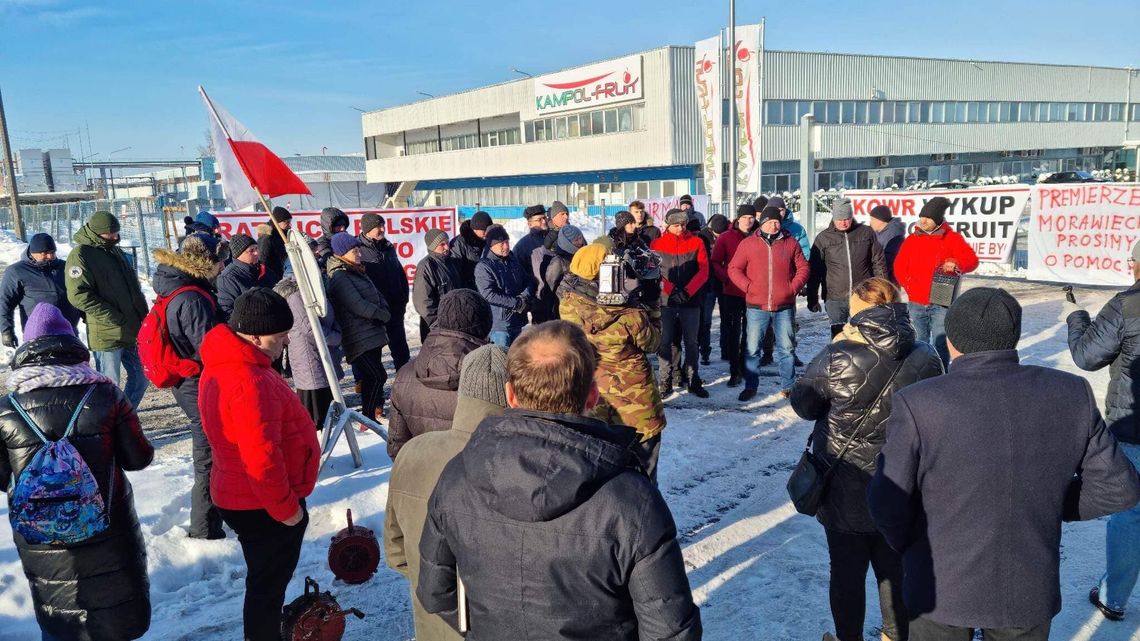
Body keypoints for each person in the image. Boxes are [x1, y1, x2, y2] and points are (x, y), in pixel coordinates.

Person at [869, 287, 1140, 641]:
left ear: (951, 341)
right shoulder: (1069, 392)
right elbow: (1119, 488)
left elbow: (887, 500)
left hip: (939, 580)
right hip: (1026, 586)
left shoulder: (919, 401)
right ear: (1014, 336)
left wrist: (911, 543)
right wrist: (1045, 500)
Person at [417, 321, 702, 640]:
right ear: (593, 396)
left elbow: (435, 594)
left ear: (509, 394)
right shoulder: (631, 500)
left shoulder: (456, 477)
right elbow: (670, 631)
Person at [791, 278, 943, 641]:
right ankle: (895, 635)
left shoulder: (839, 354)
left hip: (846, 483)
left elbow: (804, 404)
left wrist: (838, 346)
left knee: (846, 573)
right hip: (903, 481)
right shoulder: (926, 355)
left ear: (859, 311)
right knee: (894, 568)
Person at [0, 303, 153, 641]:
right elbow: (138, 458)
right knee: (114, 620)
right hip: (107, 532)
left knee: (62, 622)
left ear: (27, 349)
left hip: (44, 543)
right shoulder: (105, 393)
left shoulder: (7, 410)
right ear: (72, 344)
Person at [198, 288, 320, 641]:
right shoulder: (248, 380)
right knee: (266, 588)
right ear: (253, 336)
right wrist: (287, 511)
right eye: (279, 337)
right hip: (261, 502)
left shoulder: (230, 363)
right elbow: (261, 458)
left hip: (239, 492)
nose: (284, 344)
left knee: (264, 584)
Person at [384, 343, 509, 641]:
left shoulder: (413, 453)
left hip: (434, 626)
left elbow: (395, 552)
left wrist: (435, 585)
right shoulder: (519, 462)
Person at [1065, 240, 1140, 621]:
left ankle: (1114, 598)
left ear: (1135, 266)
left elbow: (1086, 355)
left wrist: (1077, 317)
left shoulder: (1127, 304)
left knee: (1130, 514)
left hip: (1134, 426)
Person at [559, 241, 667, 480]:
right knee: (644, 476)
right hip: (636, 408)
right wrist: (651, 303)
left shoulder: (567, 306)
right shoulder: (632, 316)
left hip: (591, 404)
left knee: (600, 476)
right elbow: (654, 342)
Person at [152, 232, 225, 539]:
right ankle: (205, 529)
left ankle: (214, 519)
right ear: (205, 262)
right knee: (208, 456)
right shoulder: (192, 298)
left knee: (212, 452)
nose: (224, 267)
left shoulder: (181, 287)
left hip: (190, 381)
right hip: (198, 383)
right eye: (220, 261)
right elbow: (210, 348)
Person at [387, 289, 491, 459]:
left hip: (425, 478)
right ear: (485, 326)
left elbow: (397, 449)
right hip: (478, 479)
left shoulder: (404, 375)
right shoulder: (496, 375)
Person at [65, 211, 149, 409]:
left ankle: (124, 417)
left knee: (142, 378)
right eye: (109, 233)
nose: (114, 237)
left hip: (132, 329)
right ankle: (107, 426)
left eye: (116, 232)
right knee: (109, 384)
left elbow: (132, 288)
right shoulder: (81, 254)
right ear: (96, 232)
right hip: (106, 333)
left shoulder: (114, 250)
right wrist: (112, 316)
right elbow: (78, 295)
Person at [728, 206, 809, 401]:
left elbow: (803, 267)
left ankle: (788, 386)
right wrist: (748, 286)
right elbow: (734, 268)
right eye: (771, 221)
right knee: (753, 348)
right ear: (762, 222)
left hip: (784, 305)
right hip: (756, 306)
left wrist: (793, 287)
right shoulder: (748, 244)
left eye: (777, 221)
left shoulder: (790, 243)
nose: (775, 225)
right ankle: (751, 386)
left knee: (786, 348)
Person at [893, 196, 979, 368]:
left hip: (942, 302)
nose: (923, 220)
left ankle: (941, 374)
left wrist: (957, 263)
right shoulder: (912, 240)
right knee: (919, 343)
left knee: (941, 343)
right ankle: (920, 374)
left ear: (938, 219)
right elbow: (899, 266)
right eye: (922, 216)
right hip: (916, 302)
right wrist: (909, 286)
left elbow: (972, 260)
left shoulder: (952, 238)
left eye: (928, 217)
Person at [326, 232, 391, 422]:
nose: (359, 254)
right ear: (342, 253)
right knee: (377, 375)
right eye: (355, 250)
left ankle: (372, 415)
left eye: (358, 249)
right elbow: (357, 304)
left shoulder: (356, 270)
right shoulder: (340, 276)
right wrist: (380, 314)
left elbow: (376, 294)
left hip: (371, 333)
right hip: (358, 336)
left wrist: (384, 309)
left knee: (372, 378)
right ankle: (368, 418)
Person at [652, 208, 710, 398]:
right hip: (666, 301)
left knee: (692, 342)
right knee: (666, 341)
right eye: (676, 225)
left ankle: (693, 379)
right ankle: (666, 380)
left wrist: (687, 291)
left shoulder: (697, 242)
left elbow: (703, 271)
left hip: (691, 301)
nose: (680, 228)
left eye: (683, 224)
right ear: (668, 225)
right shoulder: (657, 244)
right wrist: (670, 289)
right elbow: (655, 272)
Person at [807, 198, 887, 337]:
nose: (843, 222)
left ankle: (865, 358)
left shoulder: (866, 233)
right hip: (835, 297)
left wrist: (882, 290)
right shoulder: (823, 238)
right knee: (839, 337)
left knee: (865, 335)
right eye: (839, 219)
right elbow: (815, 271)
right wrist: (812, 298)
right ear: (834, 218)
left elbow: (878, 262)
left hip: (863, 295)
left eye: (847, 218)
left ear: (851, 217)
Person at [274, 276, 343, 431]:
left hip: (321, 351)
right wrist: (335, 336)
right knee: (313, 410)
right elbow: (310, 328)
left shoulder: (313, 292)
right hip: (308, 356)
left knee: (325, 405)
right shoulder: (296, 296)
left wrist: (336, 332)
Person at [1, 233, 80, 347]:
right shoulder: (16, 271)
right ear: (33, 253)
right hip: (38, 334)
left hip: (68, 331)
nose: (50, 256)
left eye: (52, 252)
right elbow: (5, 302)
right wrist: (6, 330)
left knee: (72, 364)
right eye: (45, 253)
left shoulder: (66, 267)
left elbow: (79, 294)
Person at [357, 213, 411, 371]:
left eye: (383, 225)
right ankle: (373, 391)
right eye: (378, 227)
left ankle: (405, 384)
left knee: (401, 352)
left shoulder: (388, 247)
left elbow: (399, 273)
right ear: (367, 229)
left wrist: (403, 298)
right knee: (374, 357)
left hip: (395, 308)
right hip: (374, 312)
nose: (382, 229)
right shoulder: (358, 250)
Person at [712, 204, 755, 387]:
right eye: (745, 217)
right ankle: (734, 369)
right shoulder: (726, 237)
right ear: (738, 219)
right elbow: (715, 261)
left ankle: (747, 366)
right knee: (733, 331)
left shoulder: (759, 236)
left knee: (751, 332)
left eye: (751, 217)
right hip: (732, 291)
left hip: (754, 292)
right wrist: (727, 279)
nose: (748, 221)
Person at [475, 224, 531, 348]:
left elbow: (527, 280)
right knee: (501, 361)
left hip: (517, 321)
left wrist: (525, 296)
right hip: (500, 326)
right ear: (491, 245)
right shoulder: (484, 266)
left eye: (507, 242)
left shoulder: (512, 260)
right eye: (501, 243)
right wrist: (516, 303)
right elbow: (488, 294)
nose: (506, 246)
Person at [413, 228, 462, 341]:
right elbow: (423, 304)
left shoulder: (451, 262)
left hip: (455, 323)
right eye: (442, 244)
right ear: (432, 246)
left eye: (447, 243)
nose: (446, 247)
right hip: (437, 329)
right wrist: (439, 325)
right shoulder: (426, 267)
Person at [216, 233, 272, 320]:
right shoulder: (228, 278)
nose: (256, 253)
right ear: (239, 254)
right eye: (251, 250)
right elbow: (227, 311)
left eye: (257, 248)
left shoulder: (263, 269)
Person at [697, 214, 728, 366]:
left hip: (724, 283)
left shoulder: (729, 235)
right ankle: (705, 352)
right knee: (705, 321)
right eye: (716, 234)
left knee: (727, 319)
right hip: (708, 284)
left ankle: (726, 350)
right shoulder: (703, 237)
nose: (718, 237)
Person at [538, 223, 586, 318]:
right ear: (567, 243)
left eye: (581, 237)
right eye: (576, 240)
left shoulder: (584, 255)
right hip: (565, 310)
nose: (581, 242)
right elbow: (549, 290)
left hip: (583, 308)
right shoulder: (558, 262)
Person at [450, 210, 492, 289]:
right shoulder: (459, 243)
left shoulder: (488, 240)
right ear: (475, 229)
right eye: (484, 230)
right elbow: (456, 271)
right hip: (469, 288)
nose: (487, 233)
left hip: (485, 285)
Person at [867, 205, 905, 284]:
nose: (870, 222)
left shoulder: (893, 234)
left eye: (873, 219)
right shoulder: (880, 232)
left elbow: (888, 260)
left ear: (881, 220)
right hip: (881, 277)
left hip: (888, 281)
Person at [513, 205, 548, 287]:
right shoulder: (522, 246)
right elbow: (518, 274)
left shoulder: (553, 238)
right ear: (530, 224)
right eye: (539, 219)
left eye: (544, 218)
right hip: (538, 293)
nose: (544, 221)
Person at [257, 206, 292, 282]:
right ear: (278, 222)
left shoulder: (285, 234)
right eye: (287, 222)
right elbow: (262, 260)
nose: (290, 225)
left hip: (284, 273)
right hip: (272, 277)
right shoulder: (266, 237)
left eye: (290, 222)